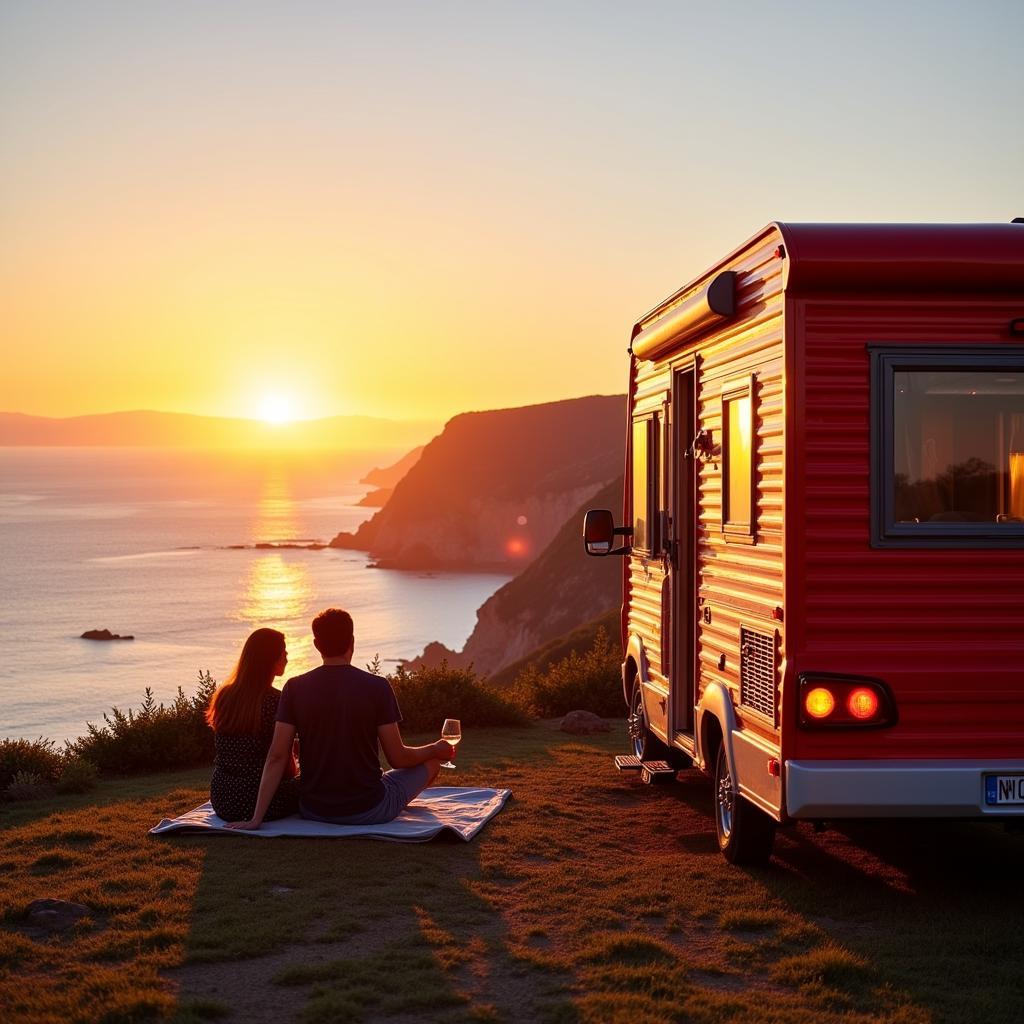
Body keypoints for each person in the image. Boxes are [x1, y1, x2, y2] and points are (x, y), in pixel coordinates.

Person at [226, 607, 453, 830]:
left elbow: (276, 756)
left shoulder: (294, 688)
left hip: (313, 810)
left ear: (316, 645)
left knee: (388, 779)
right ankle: (392, 803)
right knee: (431, 764)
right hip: (369, 809)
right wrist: (435, 749)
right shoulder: (377, 687)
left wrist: (257, 818)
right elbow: (398, 758)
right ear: (352, 641)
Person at [206, 627, 299, 822]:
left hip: (222, 798)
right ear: (270, 660)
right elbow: (283, 762)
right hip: (259, 800)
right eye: (284, 654)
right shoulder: (275, 701)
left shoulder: (224, 696)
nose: (287, 659)